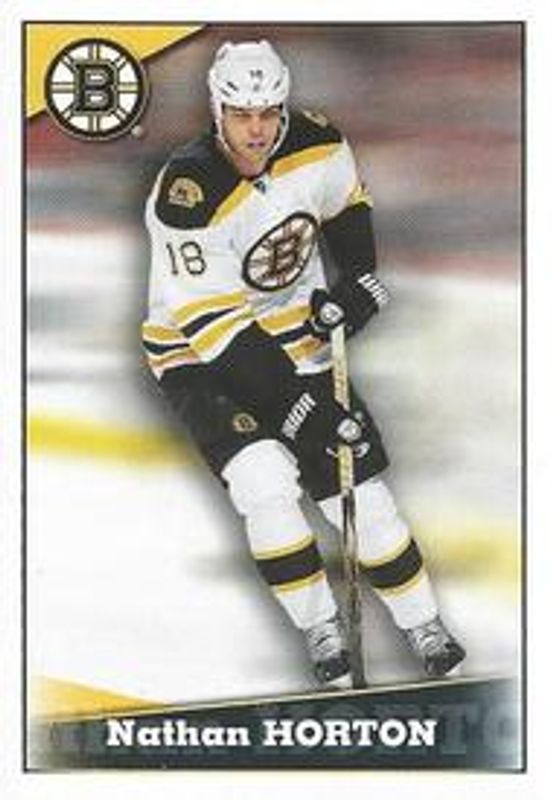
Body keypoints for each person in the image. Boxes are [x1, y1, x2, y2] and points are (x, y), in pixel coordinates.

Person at [141, 39, 465, 689]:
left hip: (295, 334)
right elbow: (217, 329)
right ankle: (322, 630)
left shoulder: (318, 143)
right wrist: (303, 412)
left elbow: (346, 205)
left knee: (362, 495)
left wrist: (358, 283)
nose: (256, 129)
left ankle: (424, 626)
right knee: (264, 482)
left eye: (268, 112)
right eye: (241, 114)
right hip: (197, 353)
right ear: (217, 111)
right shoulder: (186, 193)